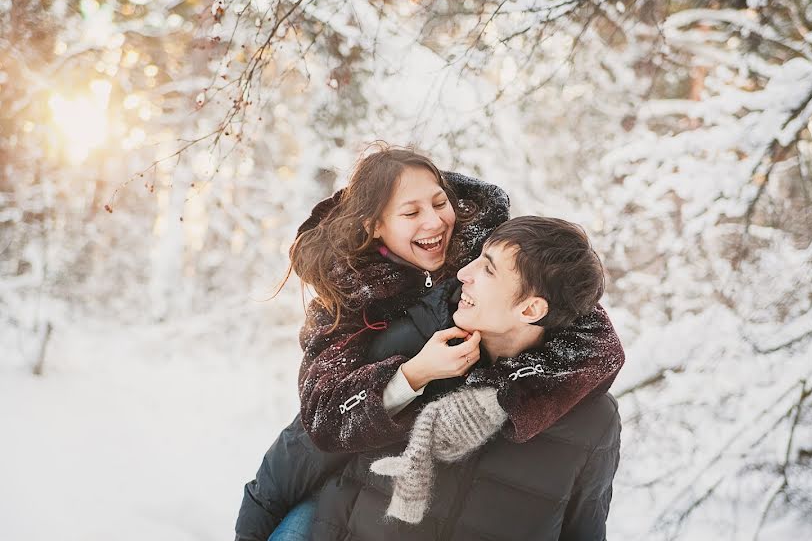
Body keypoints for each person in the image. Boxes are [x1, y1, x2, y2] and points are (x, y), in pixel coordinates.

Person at [234, 147, 623, 539]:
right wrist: (414, 373)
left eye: (440, 203)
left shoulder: (489, 266)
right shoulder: (361, 314)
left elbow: (586, 325)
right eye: (410, 212)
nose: (434, 220)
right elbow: (316, 429)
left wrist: (517, 389)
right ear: (374, 226)